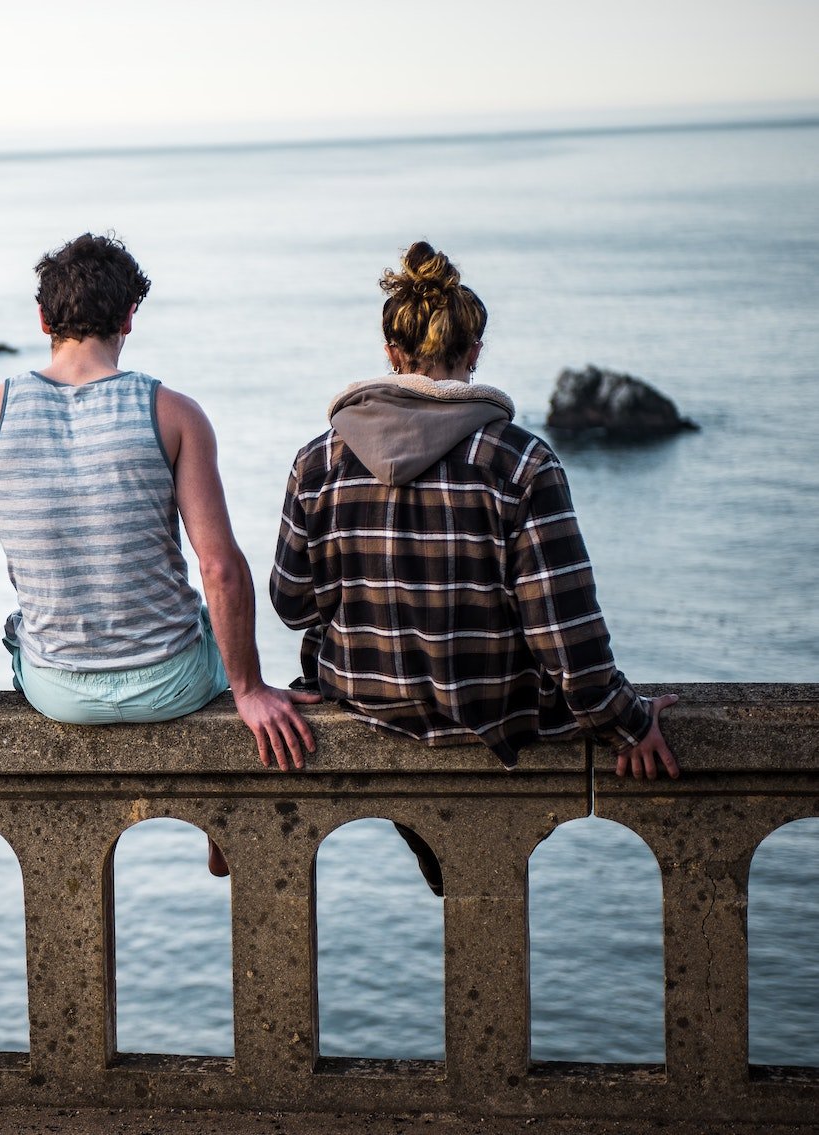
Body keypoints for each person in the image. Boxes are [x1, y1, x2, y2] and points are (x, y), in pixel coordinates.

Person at [268, 241, 678, 890]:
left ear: (391, 355)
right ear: (473, 353)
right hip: (496, 707)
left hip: (367, 697)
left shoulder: (317, 461)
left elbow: (292, 605)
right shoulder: (519, 461)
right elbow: (563, 630)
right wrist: (628, 720)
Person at [0, 233, 318, 877]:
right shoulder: (174, 413)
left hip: (55, 692)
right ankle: (219, 828)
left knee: (28, 630)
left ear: (43, 321)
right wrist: (250, 687)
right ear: (130, 318)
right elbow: (220, 569)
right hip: (173, 682)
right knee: (207, 630)